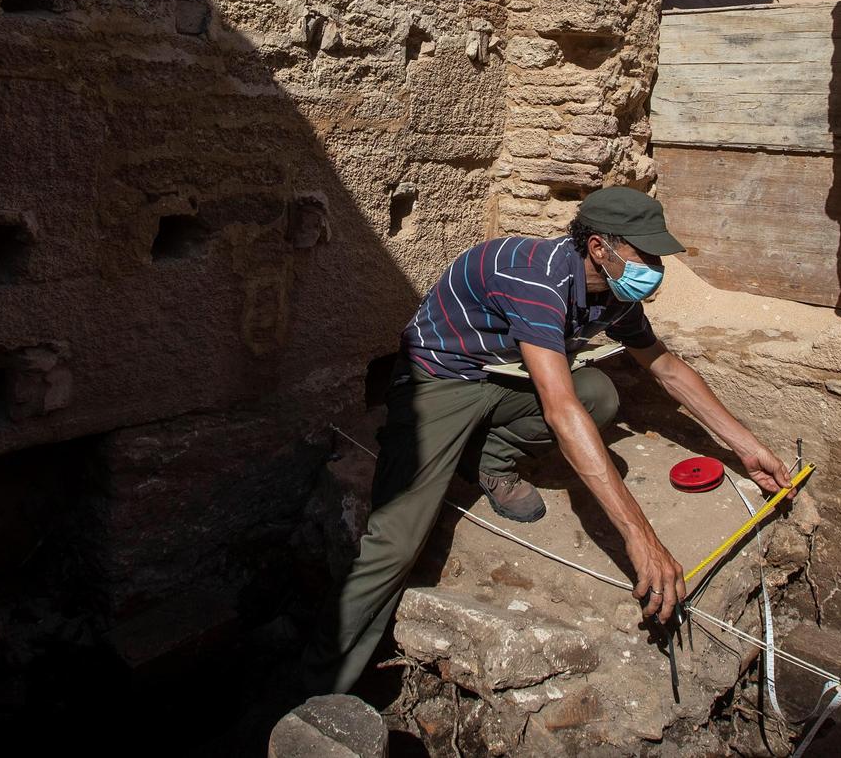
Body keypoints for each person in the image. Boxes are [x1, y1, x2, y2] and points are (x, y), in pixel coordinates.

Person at [313, 186, 796, 695]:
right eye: (644, 253)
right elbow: (559, 411)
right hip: (439, 380)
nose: (655, 266)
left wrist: (745, 445)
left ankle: (488, 456)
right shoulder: (534, 277)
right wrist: (641, 536)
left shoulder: (613, 292)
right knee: (397, 540)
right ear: (600, 248)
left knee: (598, 395)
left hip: (502, 374)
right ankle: (319, 687)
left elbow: (666, 368)